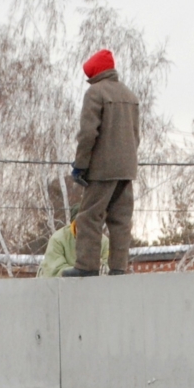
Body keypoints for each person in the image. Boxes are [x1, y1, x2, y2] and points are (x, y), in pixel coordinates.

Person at [65, 48, 139, 275]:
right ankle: (118, 268)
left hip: (101, 170)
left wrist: (80, 165)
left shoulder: (95, 93)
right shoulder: (130, 95)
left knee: (89, 217)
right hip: (126, 169)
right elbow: (136, 136)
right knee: (121, 220)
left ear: (95, 74)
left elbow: (88, 134)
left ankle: (86, 267)